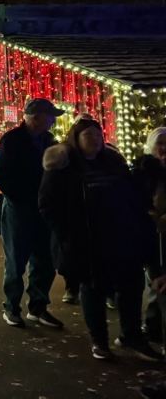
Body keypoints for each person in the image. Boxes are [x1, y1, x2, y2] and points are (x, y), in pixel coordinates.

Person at [39, 118, 160, 361]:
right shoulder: (65, 166)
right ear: (76, 139)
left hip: (121, 238)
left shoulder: (112, 161)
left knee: (131, 287)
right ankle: (99, 341)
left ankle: (131, 336)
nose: (94, 140)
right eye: (88, 136)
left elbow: (130, 193)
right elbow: (47, 204)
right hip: (87, 242)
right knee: (93, 289)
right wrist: (67, 235)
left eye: (97, 134)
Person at [0, 97, 63, 328]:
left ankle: (38, 306)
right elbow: (2, 176)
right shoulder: (12, 141)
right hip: (20, 210)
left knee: (44, 259)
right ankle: (11, 307)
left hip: (43, 210)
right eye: (50, 116)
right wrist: (23, 200)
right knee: (16, 260)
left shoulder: (49, 140)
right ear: (36, 118)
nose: (53, 120)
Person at [134, 127, 166, 341]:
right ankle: (153, 323)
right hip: (151, 232)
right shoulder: (143, 169)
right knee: (154, 277)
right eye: (159, 143)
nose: (164, 148)